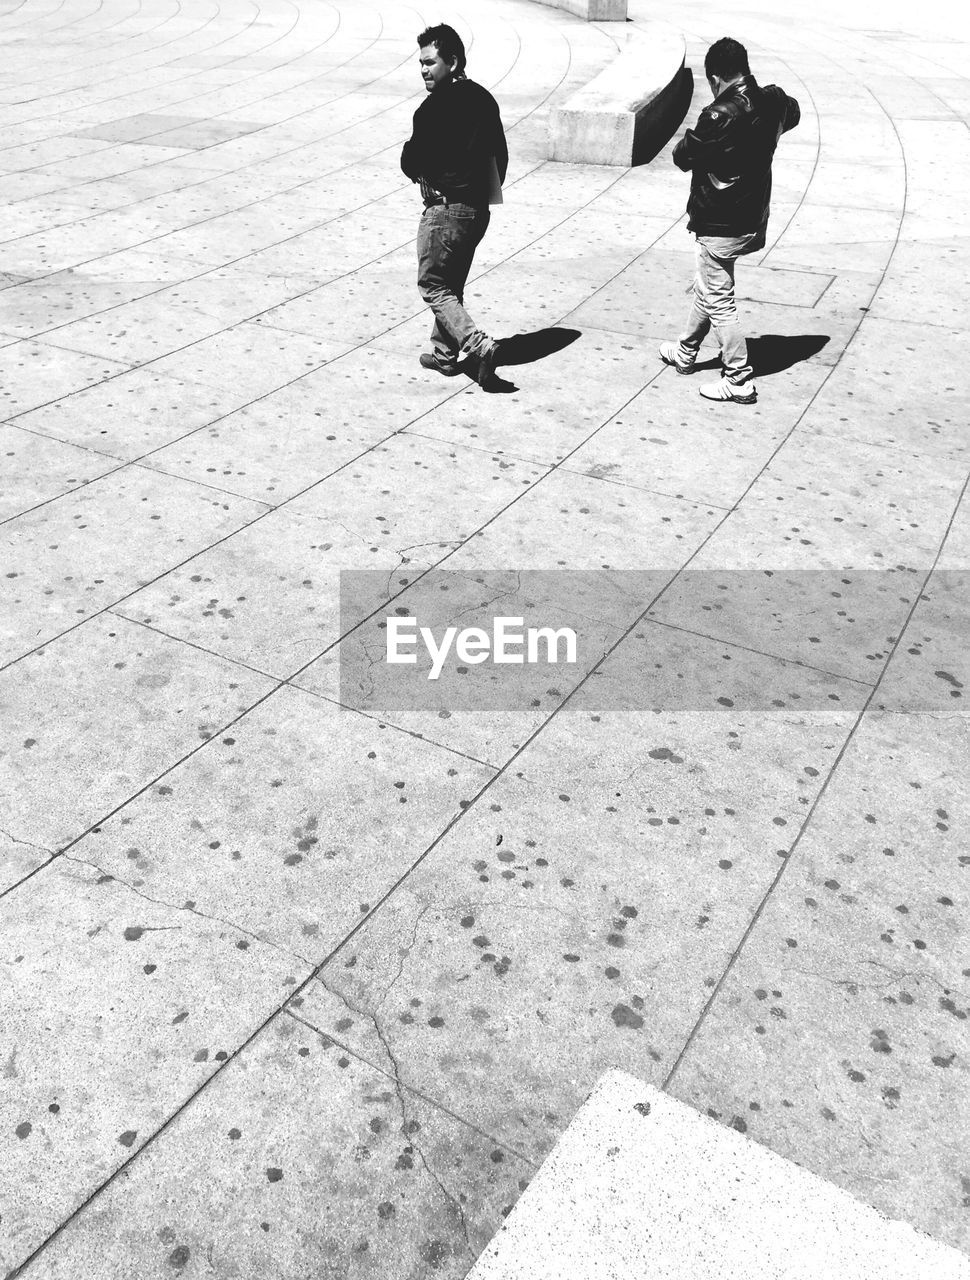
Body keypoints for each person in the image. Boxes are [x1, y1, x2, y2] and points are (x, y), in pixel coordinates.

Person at [660, 38, 800, 404]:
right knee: (709, 285)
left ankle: (738, 378)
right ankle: (686, 352)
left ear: (716, 77)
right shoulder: (774, 100)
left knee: (719, 298)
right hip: (753, 216)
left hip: (722, 221)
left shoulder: (719, 114)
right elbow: (794, 113)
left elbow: (683, 155)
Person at [401, 24, 508, 390]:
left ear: (453, 61)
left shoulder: (433, 107)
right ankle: (444, 355)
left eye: (430, 62)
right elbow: (500, 156)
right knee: (452, 283)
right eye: (421, 63)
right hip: (478, 211)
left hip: (444, 210)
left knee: (433, 285)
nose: (423, 70)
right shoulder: (484, 98)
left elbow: (410, 162)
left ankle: (478, 346)